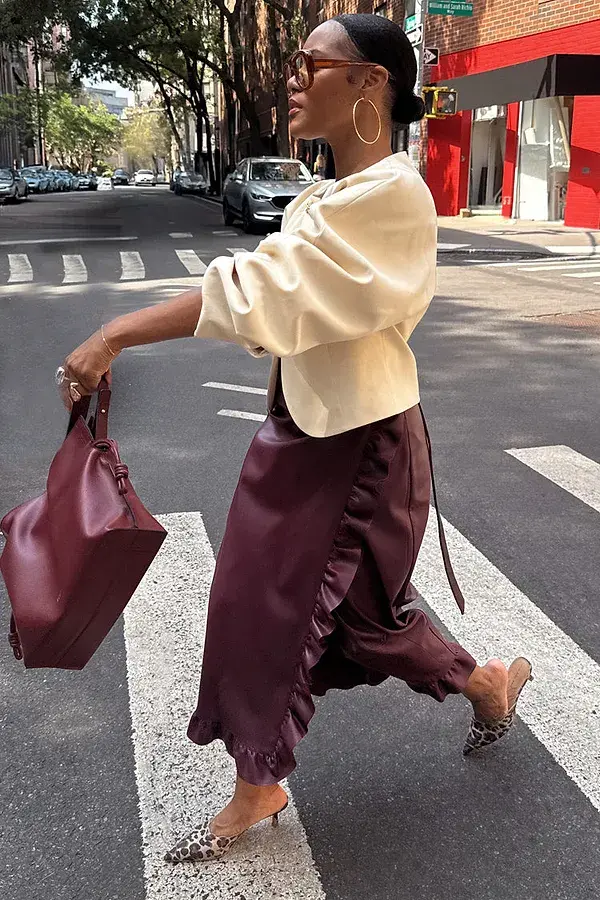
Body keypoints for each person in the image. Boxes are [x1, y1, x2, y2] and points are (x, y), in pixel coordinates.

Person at [57, 13, 532, 864]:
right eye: (293, 62)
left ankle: (259, 783)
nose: (292, 76)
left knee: (275, 606)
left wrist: (116, 333)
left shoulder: (394, 194)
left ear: (370, 83)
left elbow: (266, 291)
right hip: (307, 430)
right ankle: (486, 682)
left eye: (311, 63)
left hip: (358, 443)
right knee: (349, 618)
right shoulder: (328, 194)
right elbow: (280, 302)